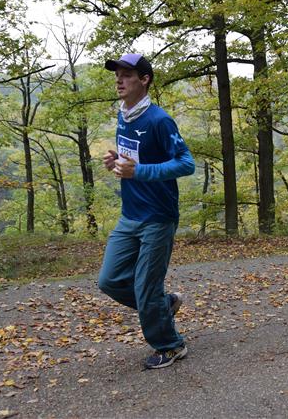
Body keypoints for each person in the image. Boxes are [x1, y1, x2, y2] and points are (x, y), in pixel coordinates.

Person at [98, 54, 195, 369]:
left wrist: (138, 172)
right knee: (110, 280)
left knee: (145, 286)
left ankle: (171, 345)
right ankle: (164, 305)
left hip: (157, 216)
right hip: (130, 214)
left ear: (145, 79)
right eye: (117, 75)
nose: (119, 80)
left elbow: (186, 163)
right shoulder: (124, 115)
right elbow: (135, 158)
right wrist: (117, 160)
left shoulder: (158, 120)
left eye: (127, 75)